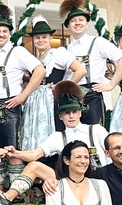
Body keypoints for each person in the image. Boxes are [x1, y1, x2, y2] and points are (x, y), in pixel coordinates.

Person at [0, 5, 44, 188]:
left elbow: (40, 70)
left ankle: (16, 195)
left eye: (5, 31)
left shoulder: (18, 52)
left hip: (9, 108)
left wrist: (23, 95)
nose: (1, 34)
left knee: (14, 153)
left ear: (9, 34)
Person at [59, 0, 122, 127]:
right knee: (71, 135)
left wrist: (111, 84)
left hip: (92, 96)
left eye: (81, 20)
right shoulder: (65, 49)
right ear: (68, 25)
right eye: (73, 21)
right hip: (70, 97)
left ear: (86, 24)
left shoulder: (98, 42)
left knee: (95, 133)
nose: (77, 23)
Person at [21, 16, 85, 152]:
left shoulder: (58, 53)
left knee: (54, 128)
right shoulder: (34, 59)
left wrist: (63, 87)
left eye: (44, 37)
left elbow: (81, 70)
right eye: (37, 37)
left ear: (50, 38)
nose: (41, 40)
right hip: (35, 101)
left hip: (52, 99)